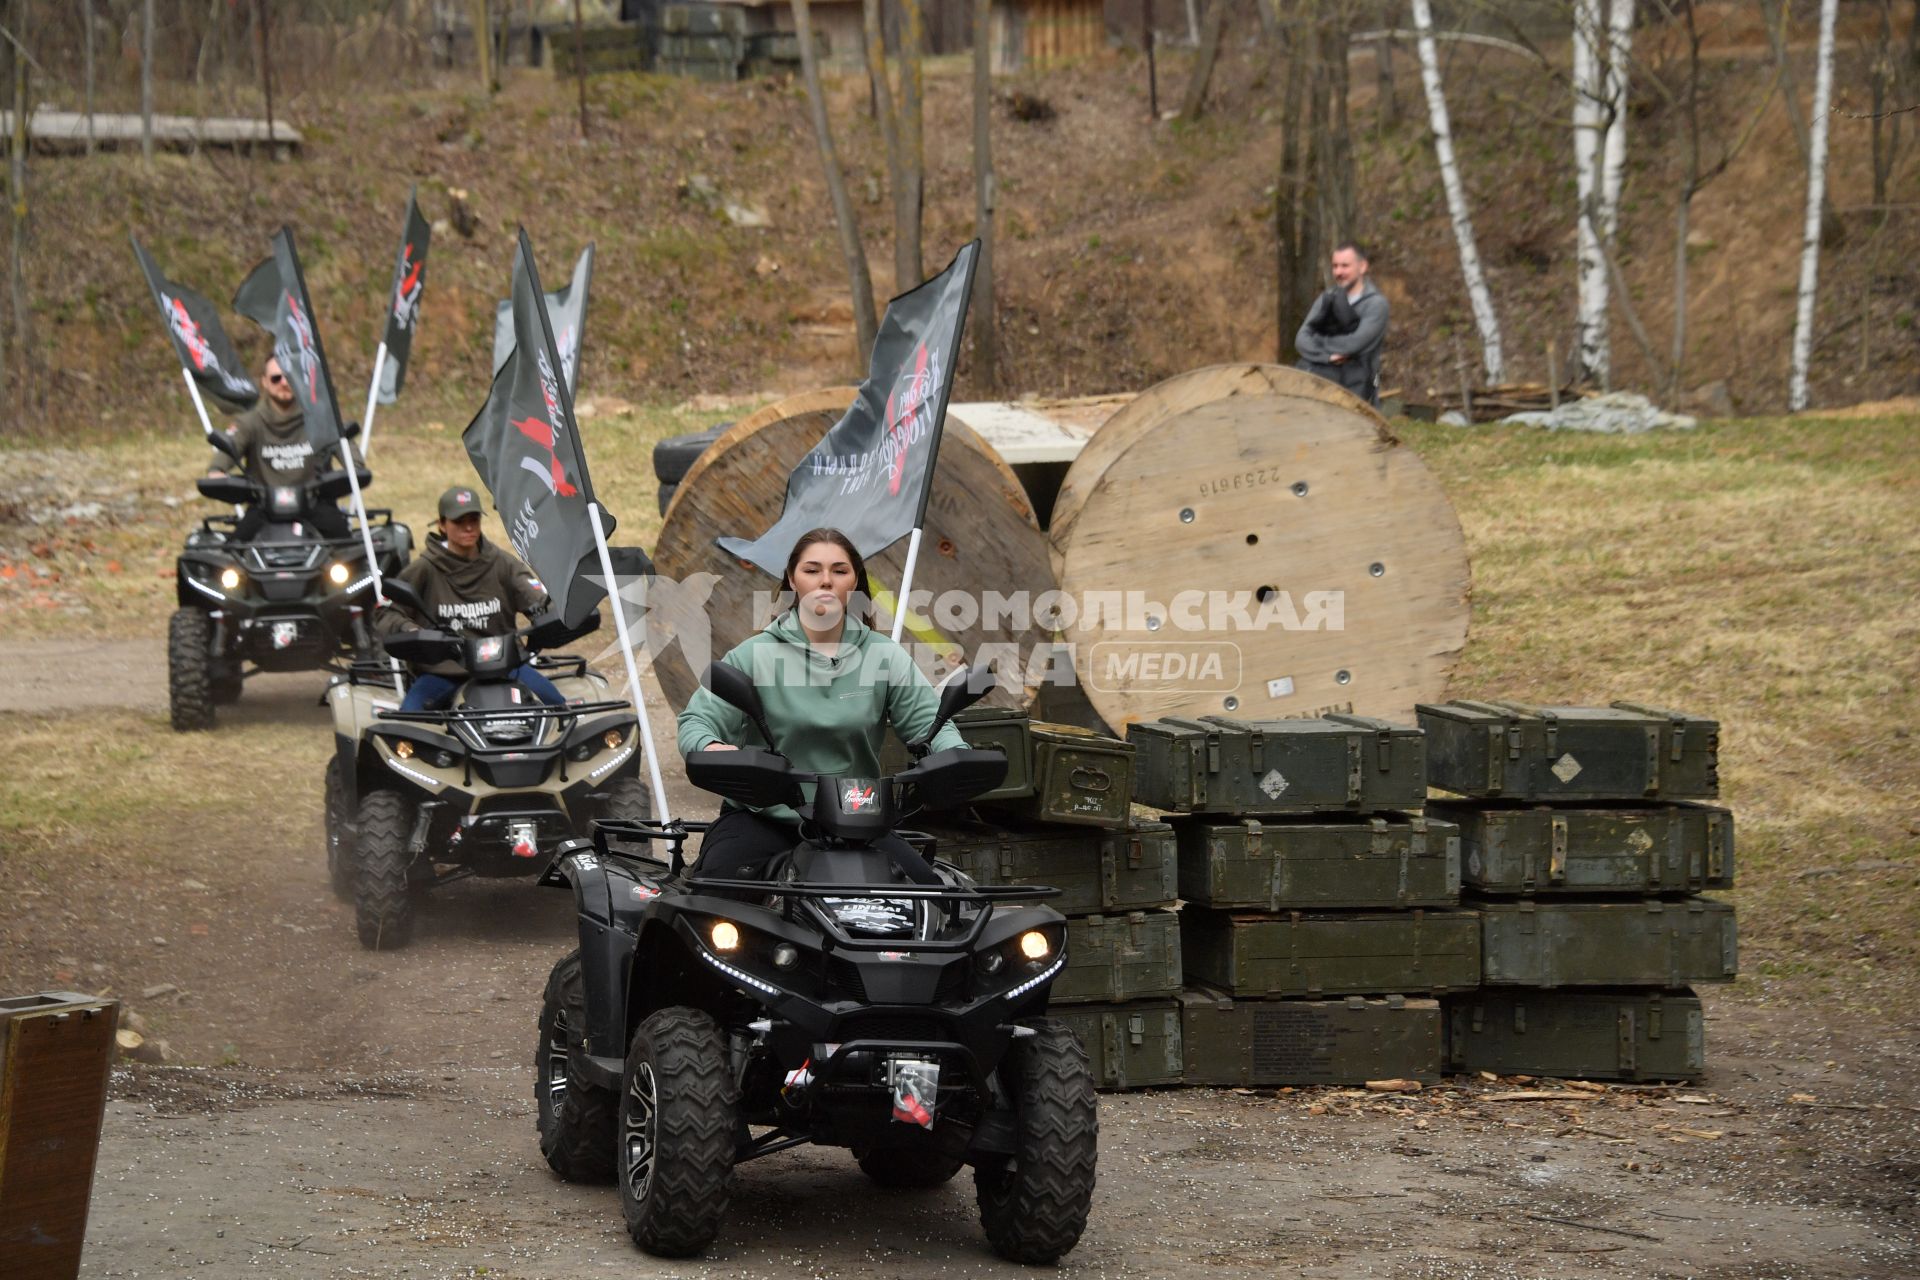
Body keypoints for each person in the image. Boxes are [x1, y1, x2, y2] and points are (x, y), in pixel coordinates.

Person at [676, 527, 968, 886]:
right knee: (715, 896)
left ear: (854, 582)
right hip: (763, 819)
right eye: (812, 570)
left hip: (858, 821)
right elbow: (696, 722)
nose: (825, 581)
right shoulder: (754, 655)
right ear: (792, 579)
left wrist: (954, 755)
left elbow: (930, 724)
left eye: (839, 571)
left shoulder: (883, 655)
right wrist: (714, 749)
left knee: (931, 899)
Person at [375, 486, 567, 713]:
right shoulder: (424, 569)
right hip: (446, 670)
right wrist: (412, 631)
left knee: (558, 706)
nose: (468, 527)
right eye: (459, 521)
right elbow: (386, 612)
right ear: (442, 524)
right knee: (410, 717)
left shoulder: (503, 564)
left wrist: (551, 616)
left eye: (474, 519)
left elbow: (538, 600)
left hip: (505, 667)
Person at [206, 355, 355, 541]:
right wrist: (220, 476)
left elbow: (355, 466)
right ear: (265, 383)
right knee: (232, 555)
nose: (284, 383)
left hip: (316, 506)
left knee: (351, 554)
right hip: (263, 510)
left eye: (290, 377)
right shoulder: (249, 422)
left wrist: (344, 477)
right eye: (276, 378)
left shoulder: (322, 420)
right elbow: (219, 465)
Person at [1294, 241, 1390, 406]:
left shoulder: (1376, 304)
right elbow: (1301, 339)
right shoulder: (1327, 298)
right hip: (1318, 385)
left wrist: (1316, 341)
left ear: (1362, 267)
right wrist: (1327, 357)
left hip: (1359, 392)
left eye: (1345, 266)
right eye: (1335, 266)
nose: (1338, 272)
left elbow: (1354, 344)